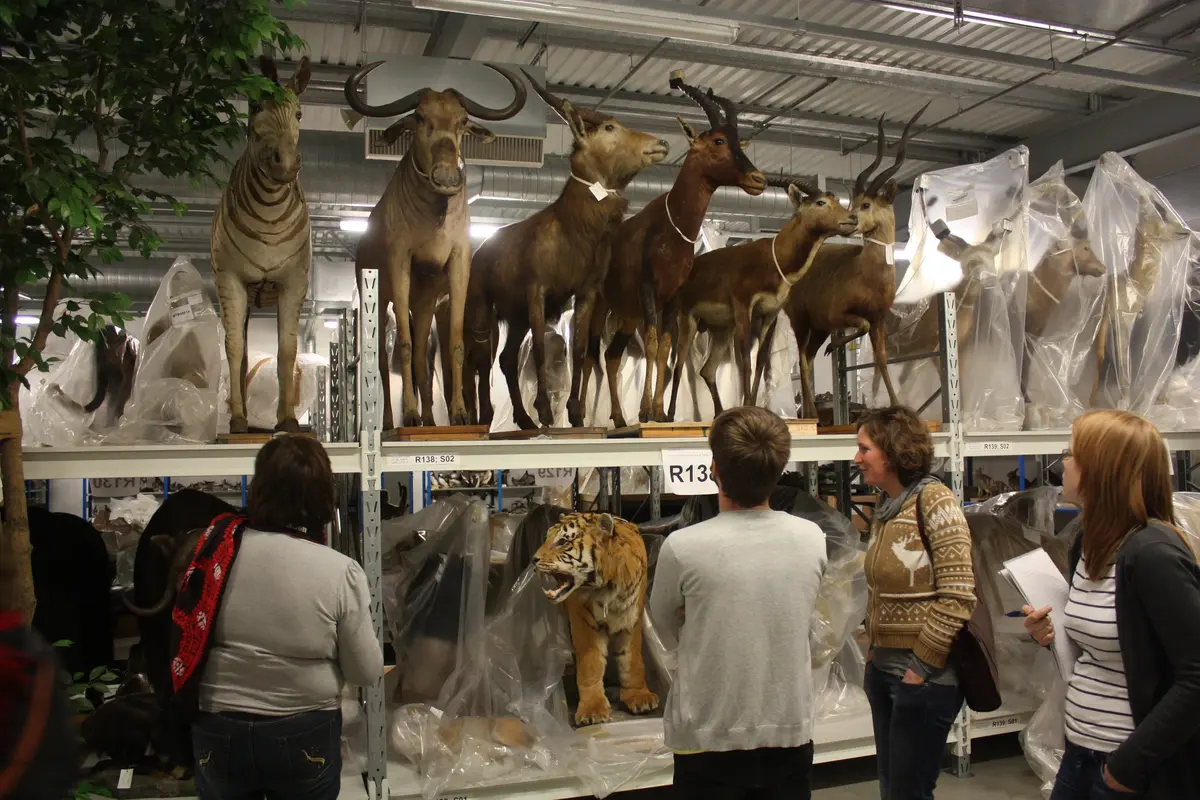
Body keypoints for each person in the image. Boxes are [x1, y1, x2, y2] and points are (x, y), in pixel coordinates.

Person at [169, 434, 384, 800]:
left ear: (258, 489)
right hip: (303, 730)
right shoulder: (339, 571)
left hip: (218, 727)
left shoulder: (217, 552)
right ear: (324, 496)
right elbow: (365, 671)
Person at [649, 406, 828, 799]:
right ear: (779, 471)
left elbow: (663, 624)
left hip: (707, 731)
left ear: (713, 469)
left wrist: (703, 615)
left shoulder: (682, 547)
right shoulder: (812, 538)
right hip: (788, 726)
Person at [1024, 409, 1200, 799]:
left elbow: (1195, 675)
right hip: (1079, 752)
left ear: (1103, 470)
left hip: (1127, 768)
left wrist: (1129, 766)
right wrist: (1051, 633)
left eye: (1072, 454)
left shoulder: (1153, 554)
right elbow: (1109, 645)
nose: (1063, 462)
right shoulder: (1088, 545)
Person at [854, 405, 975, 800]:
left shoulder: (936, 502)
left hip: (923, 680)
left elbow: (958, 594)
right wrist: (874, 653)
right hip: (885, 670)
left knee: (909, 792)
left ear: (892, 452)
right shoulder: (888, 507)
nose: (856, 458)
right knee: (894, 789)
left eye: (865, 449)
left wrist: (919, 668)